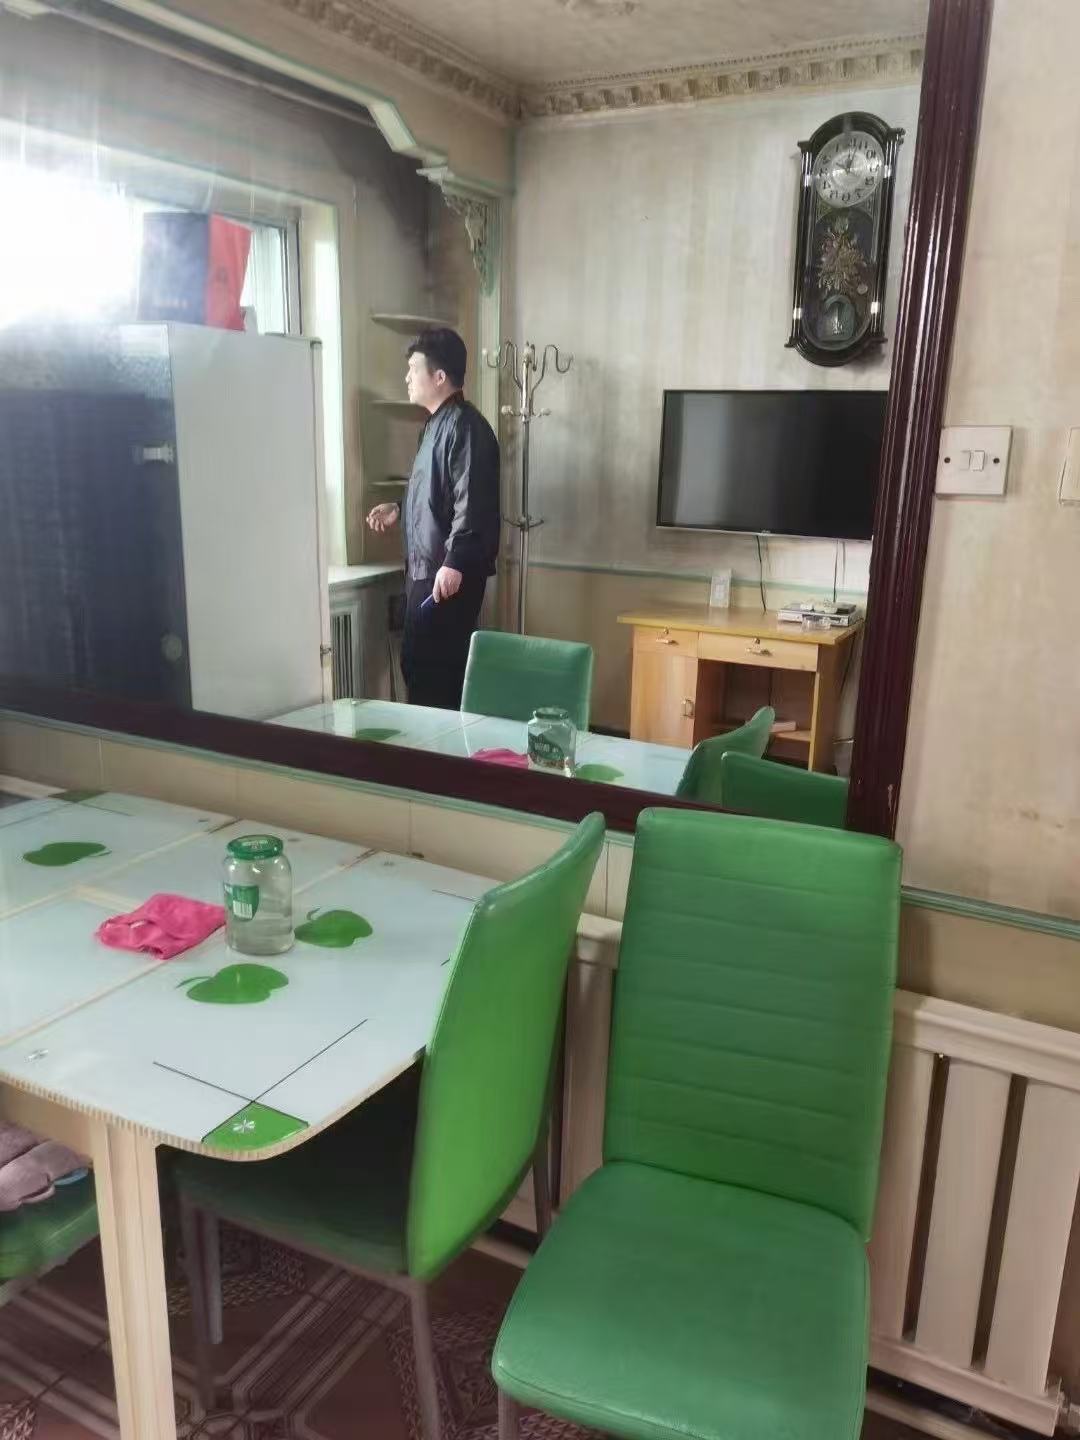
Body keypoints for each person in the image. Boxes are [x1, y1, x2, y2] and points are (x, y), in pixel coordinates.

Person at [367, 328, 500, 709]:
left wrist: (455, 561)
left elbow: (471, 499)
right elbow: (436, 492)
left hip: (446, 576)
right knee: (418, 667)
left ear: (439, 376)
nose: (407, 377)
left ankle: (443, 748)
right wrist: (399, 507)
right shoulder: (433, 425)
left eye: (413, 369)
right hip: (426, 570)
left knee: (440, 677)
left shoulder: (466, 427)